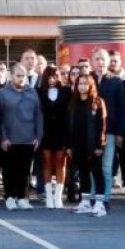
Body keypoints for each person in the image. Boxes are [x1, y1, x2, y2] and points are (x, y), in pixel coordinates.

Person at [0, 63, 43, 211]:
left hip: (28, 139)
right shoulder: (2, 93)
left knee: (25, 171)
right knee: (9, 170)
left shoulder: (32, 93)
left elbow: (38, 115)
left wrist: (38, 136)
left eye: (23, 76)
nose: (21, 79)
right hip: (10, 139)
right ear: (11, 76)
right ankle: (10, 197)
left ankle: (22, 198)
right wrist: (3, 137)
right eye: (18, 76)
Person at [89, 49, 125, 211]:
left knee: (106, 167)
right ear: (92, 61)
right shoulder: (87, 80)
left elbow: (122, 109)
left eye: (103, 59)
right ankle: (92, 197)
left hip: (109, 131)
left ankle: (105, 199)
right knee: (92, 167)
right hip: (90, 132)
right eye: (97, 59)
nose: (100, 62)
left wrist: (120, 133)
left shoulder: (116, 82)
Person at [67, 74, 108, 217]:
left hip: (93, 146)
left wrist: (100, 146)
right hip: (78, 146)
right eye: (80, 83)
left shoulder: (97, 102)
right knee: (83, 174)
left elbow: (101, 126)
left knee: (97, 174)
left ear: (91, 85)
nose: (82, 86)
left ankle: (99, 204)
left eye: (85, 83)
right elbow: (69, 126)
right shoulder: (73, 102)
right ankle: (85, 203)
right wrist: (69, 146)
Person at [37, 66, 70, 210]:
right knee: (47, 164)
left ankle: (58, 197)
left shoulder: (67, 91)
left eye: (55, 76)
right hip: (45, 133)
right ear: (45, 77)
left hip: (62, 132)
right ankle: (49, 197)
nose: (52, 79)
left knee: (60, 164)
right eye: (50, 76)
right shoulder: (39, 92)